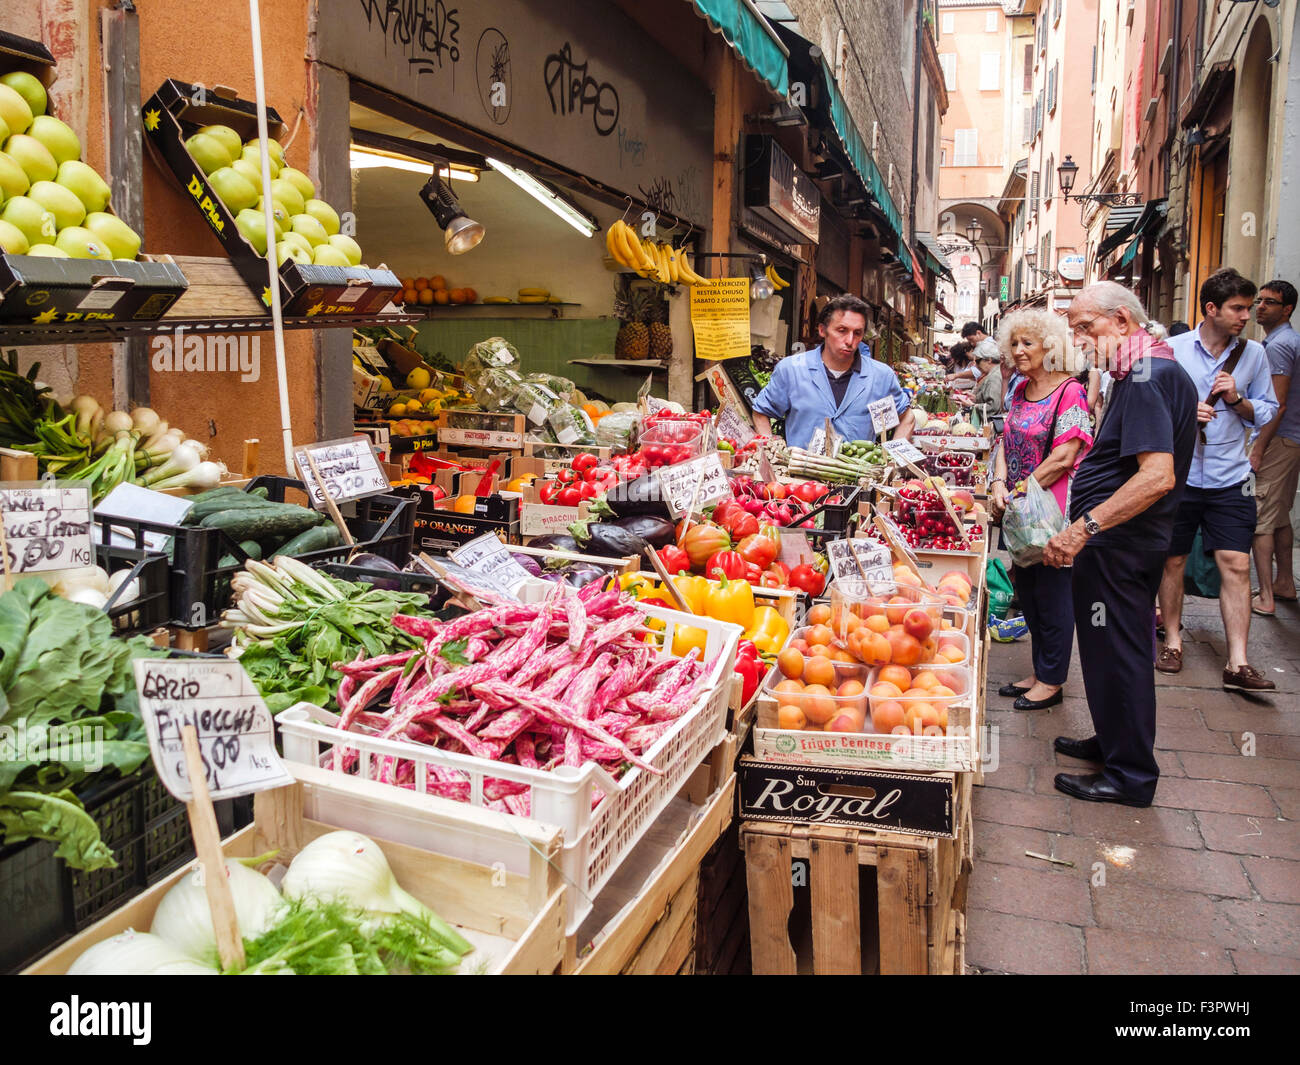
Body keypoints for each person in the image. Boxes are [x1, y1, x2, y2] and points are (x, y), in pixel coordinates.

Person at [1046, 281, 1197, 807]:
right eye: (1074, 330)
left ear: (1124, 322)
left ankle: (1130, 775)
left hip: (1121, 544)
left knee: (1123, 653)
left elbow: (1157, 476)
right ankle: (1113, 742)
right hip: (1122, 543)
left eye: (1087, 328)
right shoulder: (1150, 370)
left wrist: (1084, 527)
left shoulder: (1146, 377)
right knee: (1106, 650)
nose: (1080, 339)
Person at [1159, 268, 1279, 692]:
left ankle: (1238, 661)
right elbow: (1150, 412)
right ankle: (1172, 641)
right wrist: (1185, 413)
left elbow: (1267, 411)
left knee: (1237, 563)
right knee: (1172, 560)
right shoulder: (1171, 351)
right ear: (1211, 309)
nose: (1247, 315)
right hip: (1181, 474)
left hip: (1231, 476)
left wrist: (1237, 400)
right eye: (1238, 308)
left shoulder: (1254, 355)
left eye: (1249, 308)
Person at [988, 309, 1094, 710]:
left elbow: (1066, 455)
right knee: (1028, 592)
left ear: (1049, 347)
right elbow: (1005, 440)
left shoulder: (1070, 391)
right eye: (1013, 343)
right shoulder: (1018, 389)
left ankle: (1052, 680)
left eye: (1027, 343)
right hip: (1018, 509)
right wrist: (999, 483)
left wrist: (1020, 489)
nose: (1017, 351)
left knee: (1053, 595)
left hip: (1051, 510)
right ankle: (1038, 669)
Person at [751, 294, 915, 449]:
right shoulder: (791, 370)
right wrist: (770, 454)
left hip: (859, 476)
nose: (850, 341)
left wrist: (894, 462)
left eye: (857, 333)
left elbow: (907, 417)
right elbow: (761, 412)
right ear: (823, 330)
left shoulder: (881, 377)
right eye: (842, 330)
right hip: (800, 477)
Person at [1249, 279, 1300, 616]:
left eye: (1269, 302)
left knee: (1261, 517)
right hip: (1291, 438)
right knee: (1279, 515)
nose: (1260, 306)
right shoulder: (1287, 340)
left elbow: (1277, 404)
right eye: (1259, 300)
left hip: (1280, 439)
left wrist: (1258, 447)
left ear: (1288, 309)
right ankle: (1284, 583)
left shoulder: (1279, 345)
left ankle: (1266, 596)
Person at [970, 347, 1004, 414]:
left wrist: (972, 406)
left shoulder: (994, 377)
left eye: (978, 361)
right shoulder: (997, 372)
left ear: (989, 360)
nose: (976, 365)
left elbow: (993, 407)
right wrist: (976, 398)